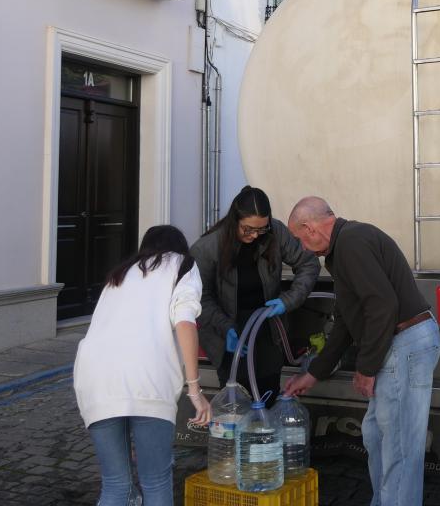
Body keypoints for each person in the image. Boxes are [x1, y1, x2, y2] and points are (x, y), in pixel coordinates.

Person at [284, 196, 440, 506]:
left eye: (300, 240)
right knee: (376, 434)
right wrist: (313, 373)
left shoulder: (352, 242)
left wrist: (367, 368)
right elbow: (344, 321)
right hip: (399, 342)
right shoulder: (342, 250)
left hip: (405, 342)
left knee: (398, 445)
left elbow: (382, 306)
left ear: (310, 227)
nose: (302, 249)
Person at [73, 225, 212, 506]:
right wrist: (195, 389)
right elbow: (185, 322)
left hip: (95, 379)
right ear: (179, 247)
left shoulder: (120, 273)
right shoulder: (183, 265)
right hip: (148, 379)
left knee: (115, 485)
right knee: (156, 482)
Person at [191, 186, 320, 405]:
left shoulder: (275, 233)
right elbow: (199, 298)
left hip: (267, 326)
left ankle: (265, 434)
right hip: (229, 333)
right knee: (236, 401)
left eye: (261, 229)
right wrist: (226, 327)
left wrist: (287, 301)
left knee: (267, 393)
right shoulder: (207, 248)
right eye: (248, 229)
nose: (254, 235)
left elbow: (308, 263)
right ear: (235, 219)